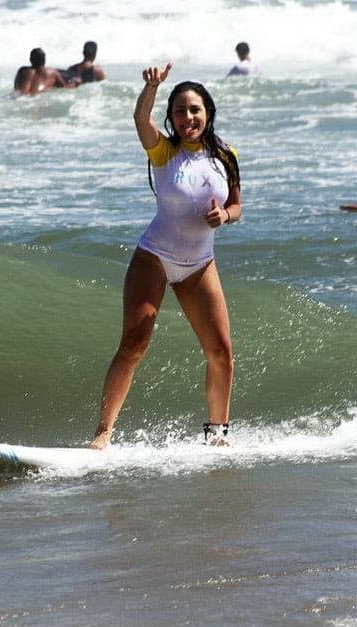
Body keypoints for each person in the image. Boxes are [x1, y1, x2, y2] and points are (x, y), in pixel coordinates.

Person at [89, 63, 241, 450]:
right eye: (179, 111)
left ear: (207, 112)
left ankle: (217, 435)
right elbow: (140, 118)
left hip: (200, 264)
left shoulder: (226, 156)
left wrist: (224, 215)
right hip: (155, 257)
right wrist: (152, 88)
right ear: (171, 118)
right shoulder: (163, 151)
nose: (187, 117)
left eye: (195, 110)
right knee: (134, 344)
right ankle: (103, 434)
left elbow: (237, 204)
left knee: (220, 352)